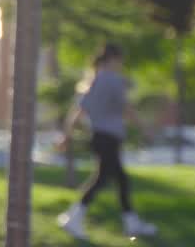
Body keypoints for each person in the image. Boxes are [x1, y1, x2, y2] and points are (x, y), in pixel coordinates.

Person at [57, 44, 158, 239]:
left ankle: (131, 223)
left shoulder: (93, 80)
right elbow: (127, 109)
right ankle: (73, 218)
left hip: (98, 137)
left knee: (120, 179)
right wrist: (145, 128)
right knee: (104, 179)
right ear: (112, 58)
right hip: (109, 138)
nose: (121, 64)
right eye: (120, 60)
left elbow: (77, 112)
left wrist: (66, 135)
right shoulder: (113, 80)